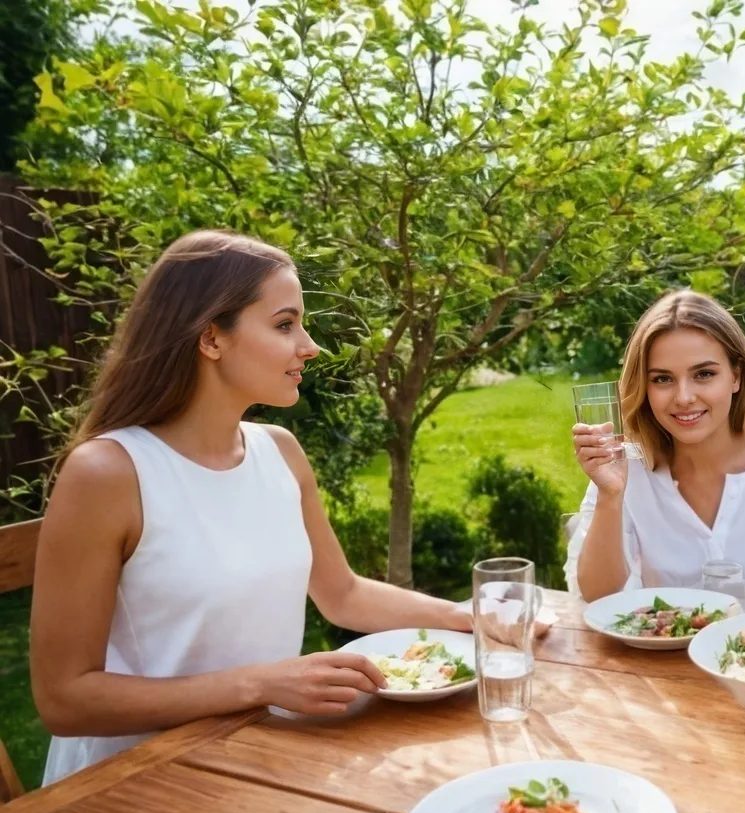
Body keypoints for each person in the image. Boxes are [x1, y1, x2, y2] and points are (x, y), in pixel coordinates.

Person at [31, 230, 472, 785]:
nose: (309, 346)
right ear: (211, 338)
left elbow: (343, 594)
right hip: (133, 783)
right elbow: (64, 699)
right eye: (285, 325)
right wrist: (262, 684)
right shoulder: (108, 473)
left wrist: (468, 618)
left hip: (254, 756)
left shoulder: (279, 452)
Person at [565, 289, 745, 604]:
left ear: (735, 376)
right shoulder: (623, 470)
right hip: (656, 654)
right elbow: (598, 596)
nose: (683, 397)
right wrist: (609, 497)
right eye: (662, 379)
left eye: (704, 374)